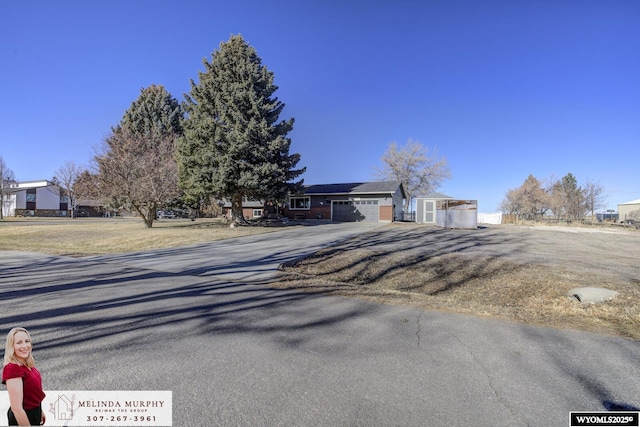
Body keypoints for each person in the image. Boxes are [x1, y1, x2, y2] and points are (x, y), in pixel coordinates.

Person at [2, 327, 46, 426]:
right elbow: (17, 409)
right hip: (22, 418)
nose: (25, 346)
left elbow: (31, 394)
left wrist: (39, 411)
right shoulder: (12, 368)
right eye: (19, 343)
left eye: (27, 341)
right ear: (11, 346)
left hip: (34, 413)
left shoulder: (27, 365)